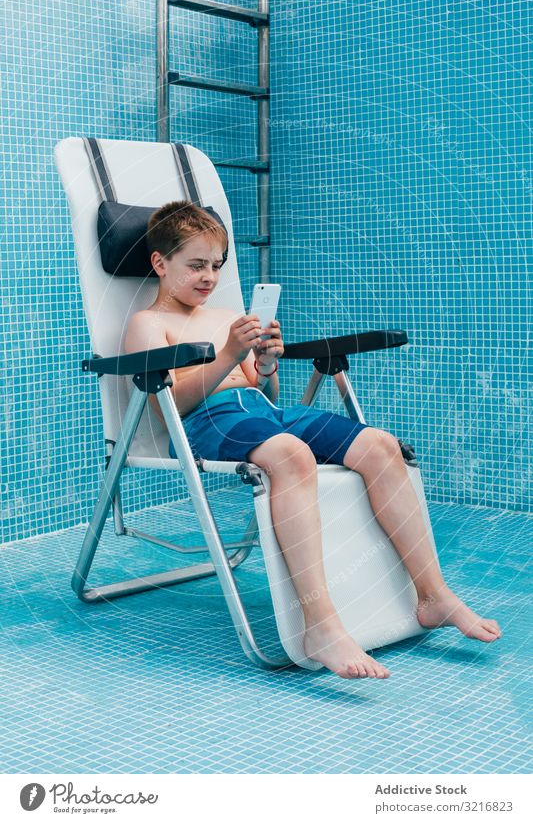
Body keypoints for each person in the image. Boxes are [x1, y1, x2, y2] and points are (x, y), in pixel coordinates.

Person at [124, 200, 502, 680]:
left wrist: (263, 362)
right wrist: (227, 354)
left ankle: (432, 595)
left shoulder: (224, 316)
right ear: (160, 263)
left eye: (216, 266)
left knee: (381, 446)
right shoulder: (148, 324)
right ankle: (320, 625)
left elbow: (261, 390)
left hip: (264, 412)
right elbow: (172, 405)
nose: (209, 277)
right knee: (290, 454)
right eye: (195, 265)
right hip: (206, 422)